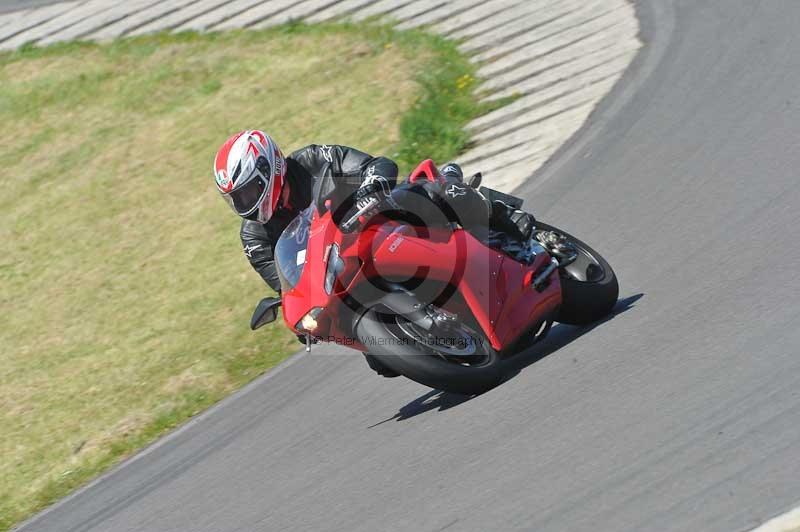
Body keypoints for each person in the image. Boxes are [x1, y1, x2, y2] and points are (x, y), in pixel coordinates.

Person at [213, 130, 535, 295]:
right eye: (237, 198)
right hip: (346, 274)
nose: (246, 203)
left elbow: (375, 164)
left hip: (380, 223)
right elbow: (287, 287)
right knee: (379, 361)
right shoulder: (254, 237)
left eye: (248, 191)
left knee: (428, 191)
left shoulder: (311, 160)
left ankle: (504, 215)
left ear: (269, 169)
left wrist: (373, 182)